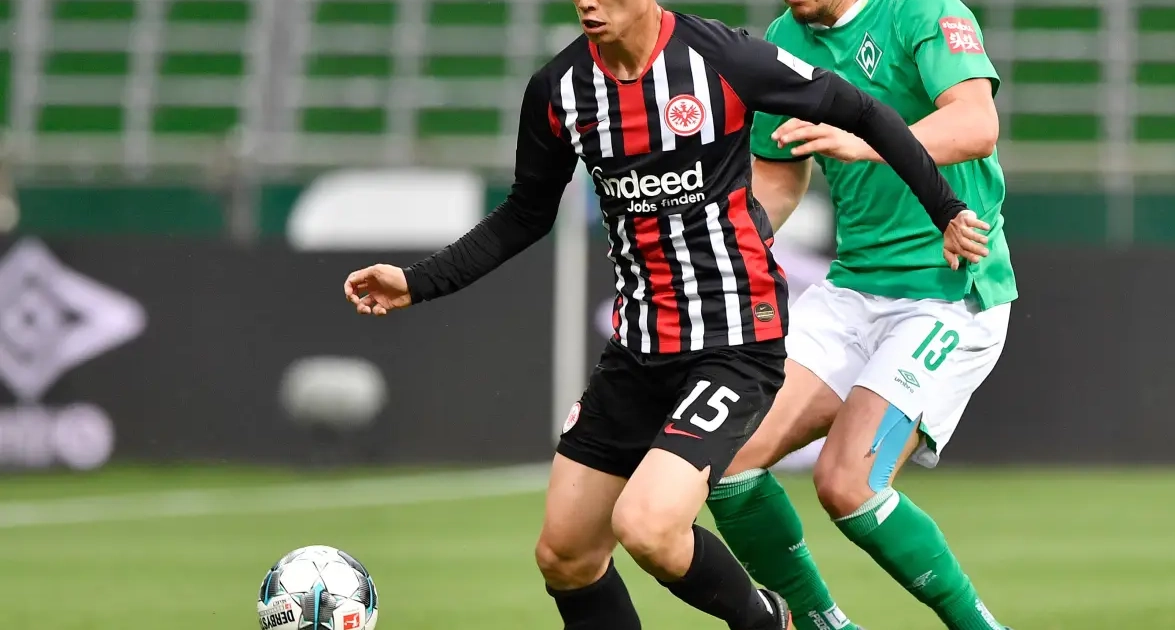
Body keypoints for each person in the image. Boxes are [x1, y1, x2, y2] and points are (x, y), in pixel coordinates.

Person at [343, 0, 987, 627]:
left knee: (648, 526)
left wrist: (947, 211)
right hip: (639, 350)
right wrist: (417, 282)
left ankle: (775, 621)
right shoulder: (559, 88)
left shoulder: (723, 57)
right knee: (565, 556)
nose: (588, 4)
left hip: (735, 343)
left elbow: (864, 112)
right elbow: (526, 213)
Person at [704, 1, 1016, 629]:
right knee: (718, 458)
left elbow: (977, 123)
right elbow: (778, 174)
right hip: (850, 292)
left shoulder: (921, 11)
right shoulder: (786, 37)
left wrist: (869, 138)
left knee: (848, 482)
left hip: (949, 292)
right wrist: (721, 253)